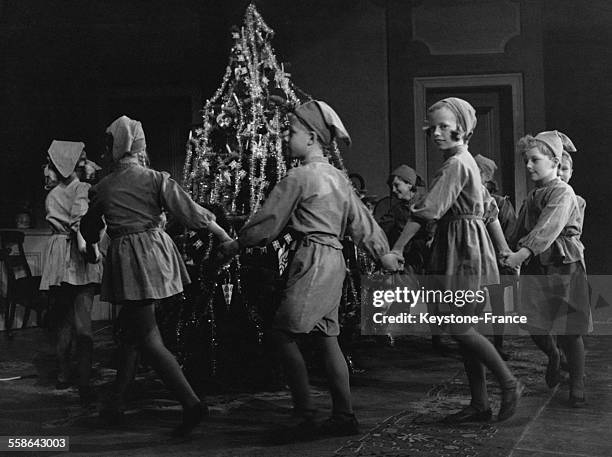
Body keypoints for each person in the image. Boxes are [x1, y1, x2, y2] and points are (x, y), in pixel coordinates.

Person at [219, 100, 393, 440]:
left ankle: (305, 415)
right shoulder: (337, 178)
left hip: (313, 259)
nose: (286, 137)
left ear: (312, 137)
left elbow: (268, 222)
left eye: (292, 131)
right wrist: (382, 252)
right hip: (333, 259)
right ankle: (343, 414)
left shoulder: (299, 177)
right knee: (328, 339)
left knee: (282, 334)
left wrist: (237, 243)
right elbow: (362, 222)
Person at [80, 115, 233, 436]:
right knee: (134, 333)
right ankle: (116, 403)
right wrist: (222, 236)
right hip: (157, 256)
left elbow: (89, 227)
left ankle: (191, 403)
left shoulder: (105, 187)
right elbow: (189, 211)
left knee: (147, 338)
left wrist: (93, 244)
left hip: (132, 262)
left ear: (115, 147)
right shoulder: (154, 179)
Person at [383, 97, 522, 422]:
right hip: (466, 245)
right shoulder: (467, 163)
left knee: (457, 324)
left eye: (445, 126)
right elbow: (490, 214)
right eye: (433, 126)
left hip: (463, 248)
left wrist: (398, 248)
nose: (436, 132)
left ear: (463, 128)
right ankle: (480, 403)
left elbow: (428, 210)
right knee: (465, 327)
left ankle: (508, 381)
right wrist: (503, 252)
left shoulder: (458, 164)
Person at [504, 131, 591, 407]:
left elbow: (549, 227)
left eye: (534, 160)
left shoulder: (563, 192)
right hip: (536, 266)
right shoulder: (533, 195)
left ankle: (577, 382)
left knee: (569, 327)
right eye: (526, 160)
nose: (528, 166)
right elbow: (519, 228)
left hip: (562, 264)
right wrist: (506, 250)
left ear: (554, 162)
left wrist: (523, 252)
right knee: (533, 322)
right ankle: (554, 355)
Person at [40, 140, 103, 406]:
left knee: (63, 318)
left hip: (57, 254)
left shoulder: (52, 194)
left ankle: (64, 372)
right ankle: (84, 379)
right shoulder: (83, 190)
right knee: (82, 319)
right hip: (77, 254)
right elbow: (81, 224)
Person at [474, 154, 517, 360]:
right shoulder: (467, 196)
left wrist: (504, 255)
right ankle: (478, 344)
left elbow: (509, 232)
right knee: (476, 303)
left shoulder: (500, 204)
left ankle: (498, 345)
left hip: (496, 260)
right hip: (477, 258)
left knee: (497, 304)